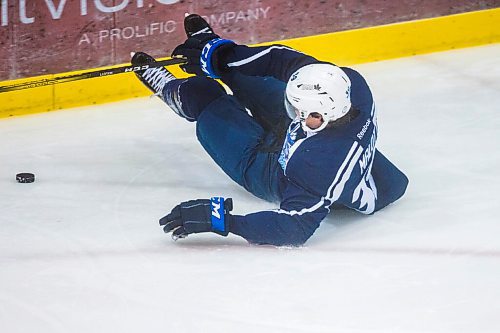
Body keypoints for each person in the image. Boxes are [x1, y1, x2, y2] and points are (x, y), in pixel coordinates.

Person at [131, 14, 408, 246]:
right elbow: (281, 60)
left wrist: (223, 221)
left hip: (274, 173)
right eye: (295, 106)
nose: (295, 114)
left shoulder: (320, 166)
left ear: (323, 115)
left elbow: (292, 228)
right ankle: (212, 50)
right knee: (244, 73)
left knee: (206, 102)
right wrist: (221, 54)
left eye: (302, 112)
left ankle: (172, 92)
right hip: (311, 145)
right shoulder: (350, 85)